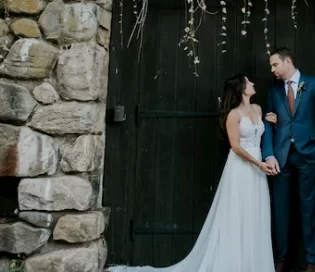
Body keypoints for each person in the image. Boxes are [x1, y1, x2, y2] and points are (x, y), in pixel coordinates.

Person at [107, 74, 277, 272]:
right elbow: (236, 147)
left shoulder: (257, 109)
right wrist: (258, 164)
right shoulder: (234, 115)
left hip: (258, 168)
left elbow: (261, 134)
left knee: (255, 211)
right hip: (241, 167)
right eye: (248, 82)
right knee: (237, 212)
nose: (253, 84)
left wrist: (273, 125)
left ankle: (253, 263)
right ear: (240, 88)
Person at [262, 47, 315, 272]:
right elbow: (268, 126)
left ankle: (311, 261)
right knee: (280, 211)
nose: (272, 69)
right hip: (281, 159)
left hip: (308, 156)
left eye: (275, 64)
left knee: (308, 209)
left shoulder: (313, 84)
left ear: (288, 61)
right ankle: (280, 260)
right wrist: (269, 154)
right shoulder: (274, 92)